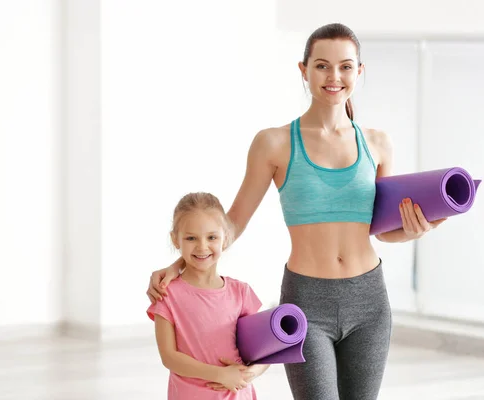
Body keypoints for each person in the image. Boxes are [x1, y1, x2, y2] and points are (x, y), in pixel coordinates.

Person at [147, 23, 446, 400]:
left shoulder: (378, 144)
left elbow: (381, 229)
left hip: (369, 299)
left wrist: (415, 230)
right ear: (303, 70)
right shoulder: (273, 144)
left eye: (346, 67)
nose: (334, 77)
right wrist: (177, 267)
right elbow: (232, 224)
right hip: (307, 300)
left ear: (359, 71)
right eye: (322, 66)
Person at [146, 192, 270, 399]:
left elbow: (265, 351)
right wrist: (219, 374)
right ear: (175, 240)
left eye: (211, 237)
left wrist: (250, 373)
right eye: (191, 238)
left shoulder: (241, 293)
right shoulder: (167, 294)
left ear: (225, 238)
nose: (202, 246)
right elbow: (169, 357)